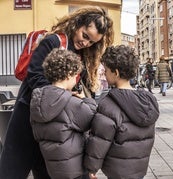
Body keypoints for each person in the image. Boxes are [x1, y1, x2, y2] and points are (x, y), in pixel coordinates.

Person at [0, 6, 114, 179]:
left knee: (46, 171)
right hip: (28, 115)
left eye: (91, 42)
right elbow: (34, 76)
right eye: (85, 36)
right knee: (12, 168)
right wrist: (65, 96)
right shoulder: (53, 41)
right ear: (77, 24)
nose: (86, 43)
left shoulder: (84, 54)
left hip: (54, 123)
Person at [84, 45, 160, 179]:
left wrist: (92, 168)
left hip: (117, 170)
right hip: (139, 168)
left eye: (106, 70)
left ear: (116, 72)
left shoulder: (109, 104)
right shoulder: (147, 101)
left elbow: (100, 141)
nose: (104, 73)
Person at [30, 48, 97, 179]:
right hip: (75, 169)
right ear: (69, 75)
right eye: (75, 76)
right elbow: (91, 119)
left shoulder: (37, 100)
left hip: (53, 167)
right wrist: (86, 100)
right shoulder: (71, 104)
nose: (76, 79)